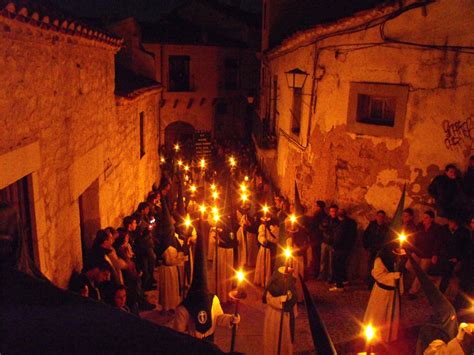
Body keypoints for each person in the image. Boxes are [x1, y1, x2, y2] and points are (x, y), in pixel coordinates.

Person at [171, 211, 240, 341]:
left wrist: (231, 319)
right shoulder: (184, 308)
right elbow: (178, 333)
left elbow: (218, 317)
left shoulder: (213, 300)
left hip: (210, 340)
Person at [363, 243, 405, 342]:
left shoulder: (398, 257)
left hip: (393, 292)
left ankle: (389, 337)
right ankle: (376, 338)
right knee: (379, 316)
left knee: (390, 316)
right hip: (382, 293)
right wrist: (394, 276)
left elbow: (400, 274)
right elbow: (379, 275)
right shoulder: (380, 260)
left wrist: (400, 288)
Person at [262, 266, 298, 355]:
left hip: (286, 317)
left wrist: (289, 300)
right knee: (273, 339)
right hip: (274, 316)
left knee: (284, 340)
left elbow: (293, 301)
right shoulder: (273, 287)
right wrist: (283, 299)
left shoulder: (291, 286)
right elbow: (269, 299)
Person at [431, 217, 470, 293]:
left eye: (452, 222)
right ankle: (435, 289)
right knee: (436, 272)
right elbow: (438, 242)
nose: (450, 224)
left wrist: (458, 258)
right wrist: (435, 254)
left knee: (446, 276)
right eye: (449, 221)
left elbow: (465, 247)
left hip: (452, 258)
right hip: (442, 255)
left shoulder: (464, 232)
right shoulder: (444, 229)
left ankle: (441, 293)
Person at [407, 210, 440, 299]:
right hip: (417, 252)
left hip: (428, 255)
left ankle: (412, 292)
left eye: (426, 217)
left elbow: (437, 242)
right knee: (408, 267)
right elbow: (414, 237)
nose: (424, 219)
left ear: (431, 219)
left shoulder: (436, 229)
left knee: (421, 273)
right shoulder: (420, 226)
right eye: (423, 217)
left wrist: (435, 254)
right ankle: (411, 285)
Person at [330, 209, 357, 291]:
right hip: (346, 248)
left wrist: (334, 246)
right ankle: (342, 281)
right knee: (341, 265)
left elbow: (339, 237)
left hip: (340, 248)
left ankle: (339, 286)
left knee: (336, 265)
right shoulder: (351, 223)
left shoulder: (343, 225)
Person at [363, 210, 389, 289]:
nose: (380, 218)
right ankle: (369, 283)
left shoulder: (386, 227)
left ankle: (376, 283)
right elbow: (365, 235)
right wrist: (366, 246)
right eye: (379, 216)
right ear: (376, 217)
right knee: (370, 266)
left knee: (378, 267)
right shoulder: (372, 225)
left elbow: (387, 239)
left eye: (382, 217)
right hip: (371, 249)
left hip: (380, 250)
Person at [254, 215, 279, 287]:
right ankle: (262, 280)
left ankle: (269, 281)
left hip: (272, 250)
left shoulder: (275, 228)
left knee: (270, 265)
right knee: (263, 265)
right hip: (264, 249)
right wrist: (263, 240)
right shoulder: (262, 227)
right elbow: (260, 235)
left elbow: (276, 238)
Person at [318, 204, 339, 283]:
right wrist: (326, 229)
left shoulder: (338, 221)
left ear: (336, 212)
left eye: (334, 211)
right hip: (324, 242)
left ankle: (330, 277)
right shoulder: (326, 219)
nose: (333, 213)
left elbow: (335, 231)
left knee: (331, 262)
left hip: (332, 244)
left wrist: (327, 229)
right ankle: (322, 275)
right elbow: (321, 226)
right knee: (323, 260)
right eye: (331, 211)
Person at [310, 200, 327, 278]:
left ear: (319, 207)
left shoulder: (319, 215)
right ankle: (316, 272)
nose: (314, 207)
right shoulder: (322, 215)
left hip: (316, 238)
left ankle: (316, 273)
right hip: (317, 238)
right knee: (317, 256)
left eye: (315, 206)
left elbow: (315, 226)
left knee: (316, 256)